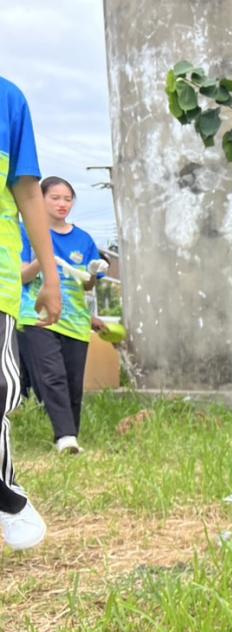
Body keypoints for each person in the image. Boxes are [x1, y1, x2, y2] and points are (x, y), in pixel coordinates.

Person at [0, 76, 61, 551]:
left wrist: (51, 277)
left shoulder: (7, 99)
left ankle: (5, 492)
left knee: (3, 388)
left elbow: (26, 191)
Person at [17, 176, 109, 453]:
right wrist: (44, 259)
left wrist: (92, 274)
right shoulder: (25, 233)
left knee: (72, 382)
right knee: (51, 376)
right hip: (37, 316)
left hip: (75, 321)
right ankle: (65, 436)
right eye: (55, 198)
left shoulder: (83, 239)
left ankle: (70, 437)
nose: (62, 204)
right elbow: (20, 276)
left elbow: (88, 285)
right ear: (40, 199)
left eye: (67, 199)